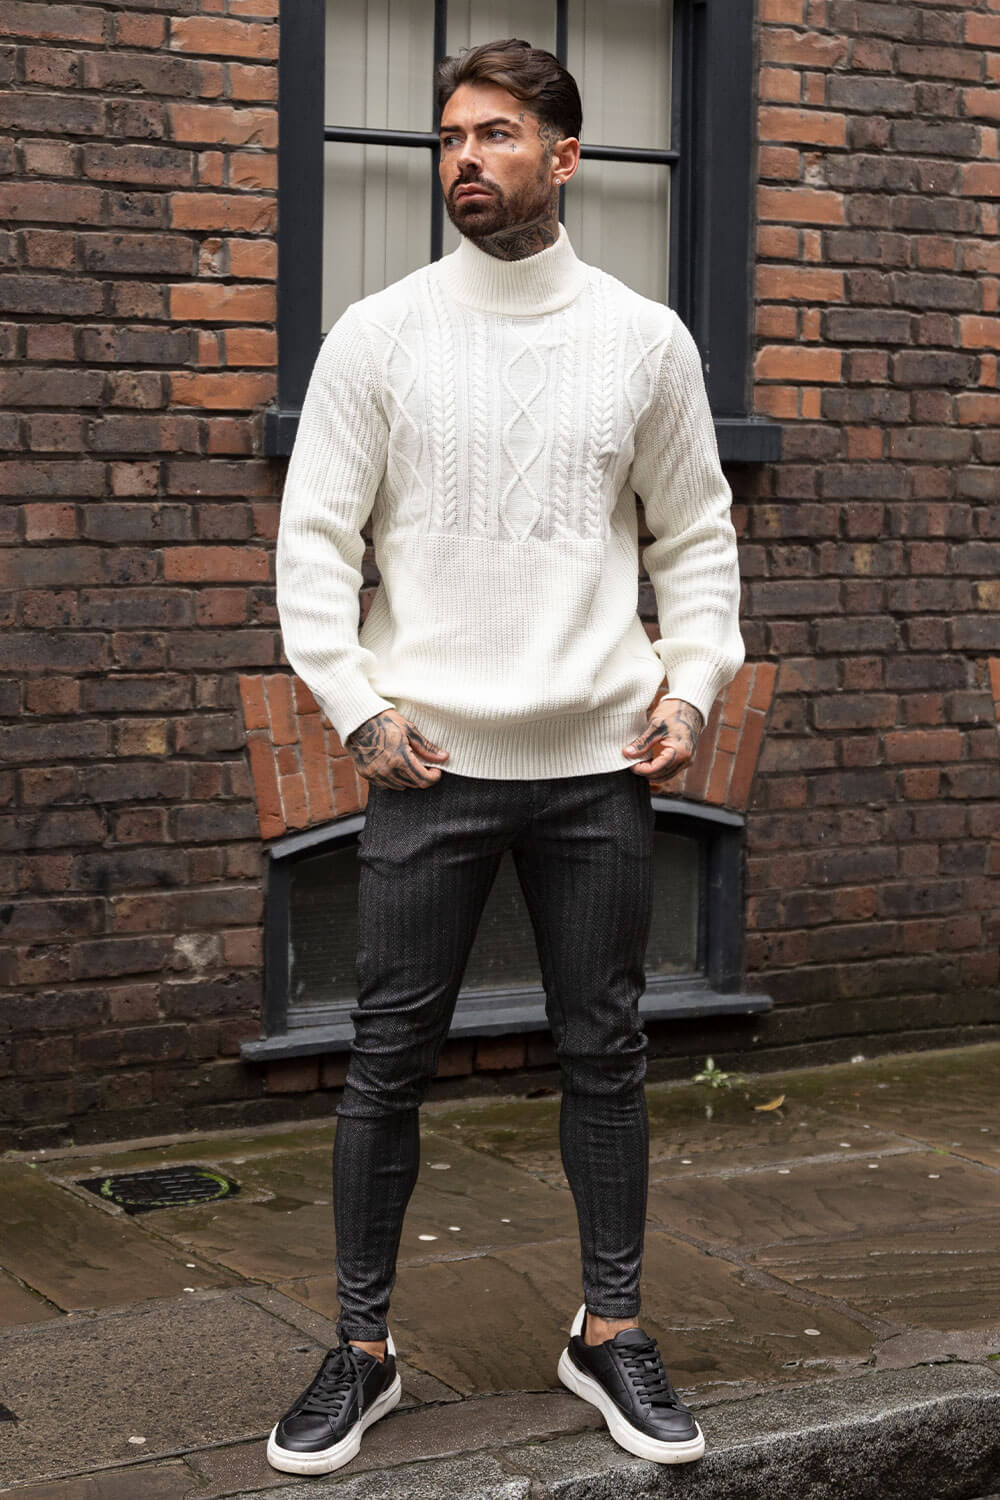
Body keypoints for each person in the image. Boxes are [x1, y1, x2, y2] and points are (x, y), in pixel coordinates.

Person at [267, 37, 744, 1477]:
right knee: (385, 1062)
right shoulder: (380, 335)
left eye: (495, 134)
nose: (464, 159)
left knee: (608, 1053)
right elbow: (313, 544)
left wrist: (694, 687)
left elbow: (697, 535)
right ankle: (361, 1350)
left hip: (599, 764)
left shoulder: (645, 341)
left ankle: (610, 1331)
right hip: (431, 767)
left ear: (565, 157)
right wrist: (356, 709)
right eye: (450, 137)